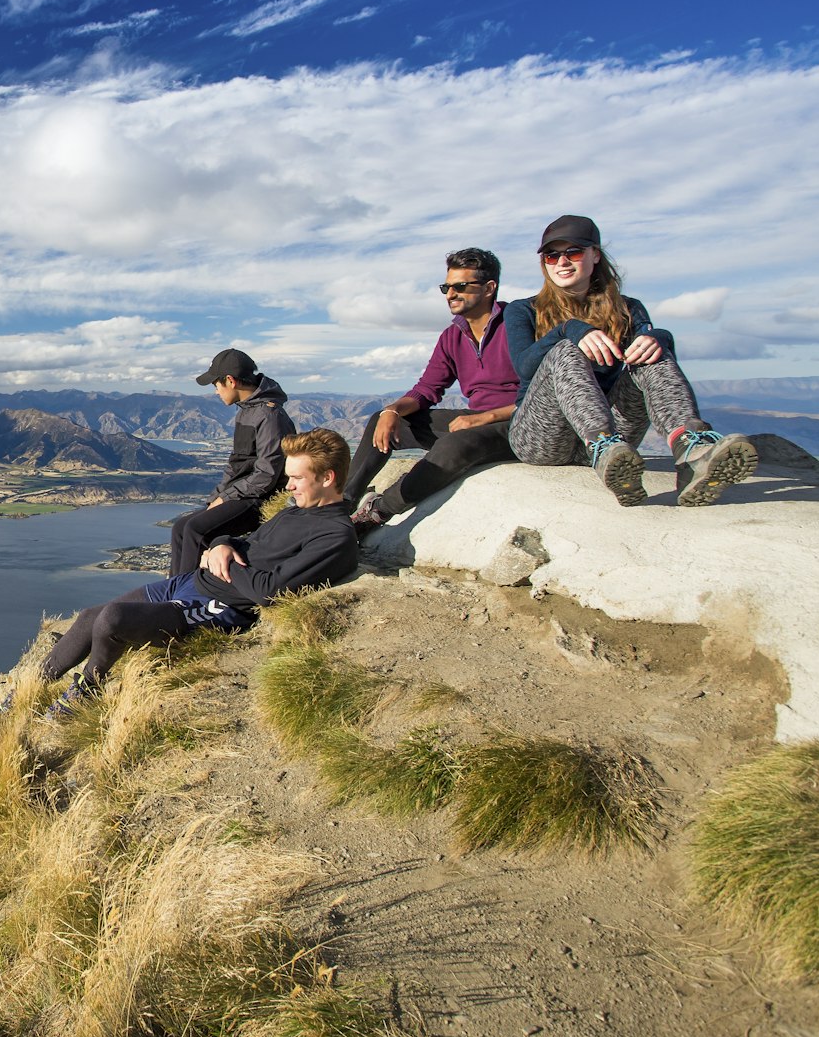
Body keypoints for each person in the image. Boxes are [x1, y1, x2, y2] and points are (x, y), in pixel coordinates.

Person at [42, 428, 359, 713]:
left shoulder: (334, 535)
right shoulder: (295, 512)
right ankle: (32, 687)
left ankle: (85, 692)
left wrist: (226, 563)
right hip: (192, 583)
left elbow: (270, 591)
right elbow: (246, 543)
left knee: (113, 619)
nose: (288, 486)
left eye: (297, 478)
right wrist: (221, 544)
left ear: (327, 478)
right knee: (88, 618)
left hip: (217, 608)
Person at [506, 214, 756, 507]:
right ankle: (601, 443)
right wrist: (568, 329)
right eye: (551, 256)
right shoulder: (523, 310)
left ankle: (690, 451)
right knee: (565, 349)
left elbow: (654, 353)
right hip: (542, 438)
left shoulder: (629, 309)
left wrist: (659, 337)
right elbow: (523, 367)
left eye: (573, 252)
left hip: (616, 444)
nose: (561, 262)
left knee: (652, 351)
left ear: (595, 255)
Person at [346, 248, 518, 532]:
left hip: (520, 424)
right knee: (384, 419)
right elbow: (428, 388)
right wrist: (392, 411)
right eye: (446, 287)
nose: (451, 294)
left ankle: (376, 513)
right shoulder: (453, 335)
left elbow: (542, 394)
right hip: (476, 420)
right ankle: (341, 505)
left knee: (454, 442)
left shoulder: (519, 323)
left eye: (461, 286)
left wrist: (484, 418)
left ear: (490, 288)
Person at [168, 348, 294, 575]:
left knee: (196, 529)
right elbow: (237, 465)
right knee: (180, 527)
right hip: (242, 495)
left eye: (216, 385)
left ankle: (184, 598)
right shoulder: (247, 411)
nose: (216, 391)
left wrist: (225, 498)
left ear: (230, 380)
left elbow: (267, 473)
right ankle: (173, 589)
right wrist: (215, 499)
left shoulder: (269, 416)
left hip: (259, 499)